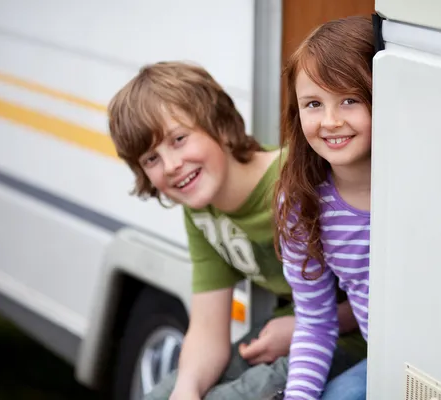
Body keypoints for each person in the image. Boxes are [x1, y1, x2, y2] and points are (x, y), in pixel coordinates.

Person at [106, 61, 366, 400]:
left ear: (222, 128)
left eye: (179, 140)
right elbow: (207, 330)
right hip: (297, 332)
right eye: (151, 159)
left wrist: (308, 328)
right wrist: (186, 389)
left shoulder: (297, 181)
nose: (171, 166)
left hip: (350, 341)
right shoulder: (201, 212)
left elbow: (374, 292)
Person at [274, 15, 375, 400]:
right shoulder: (303, 203)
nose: (331, 121)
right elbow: (316, 322)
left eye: (350, 99)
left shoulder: (415, 192)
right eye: (313, 103)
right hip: (383, 360)